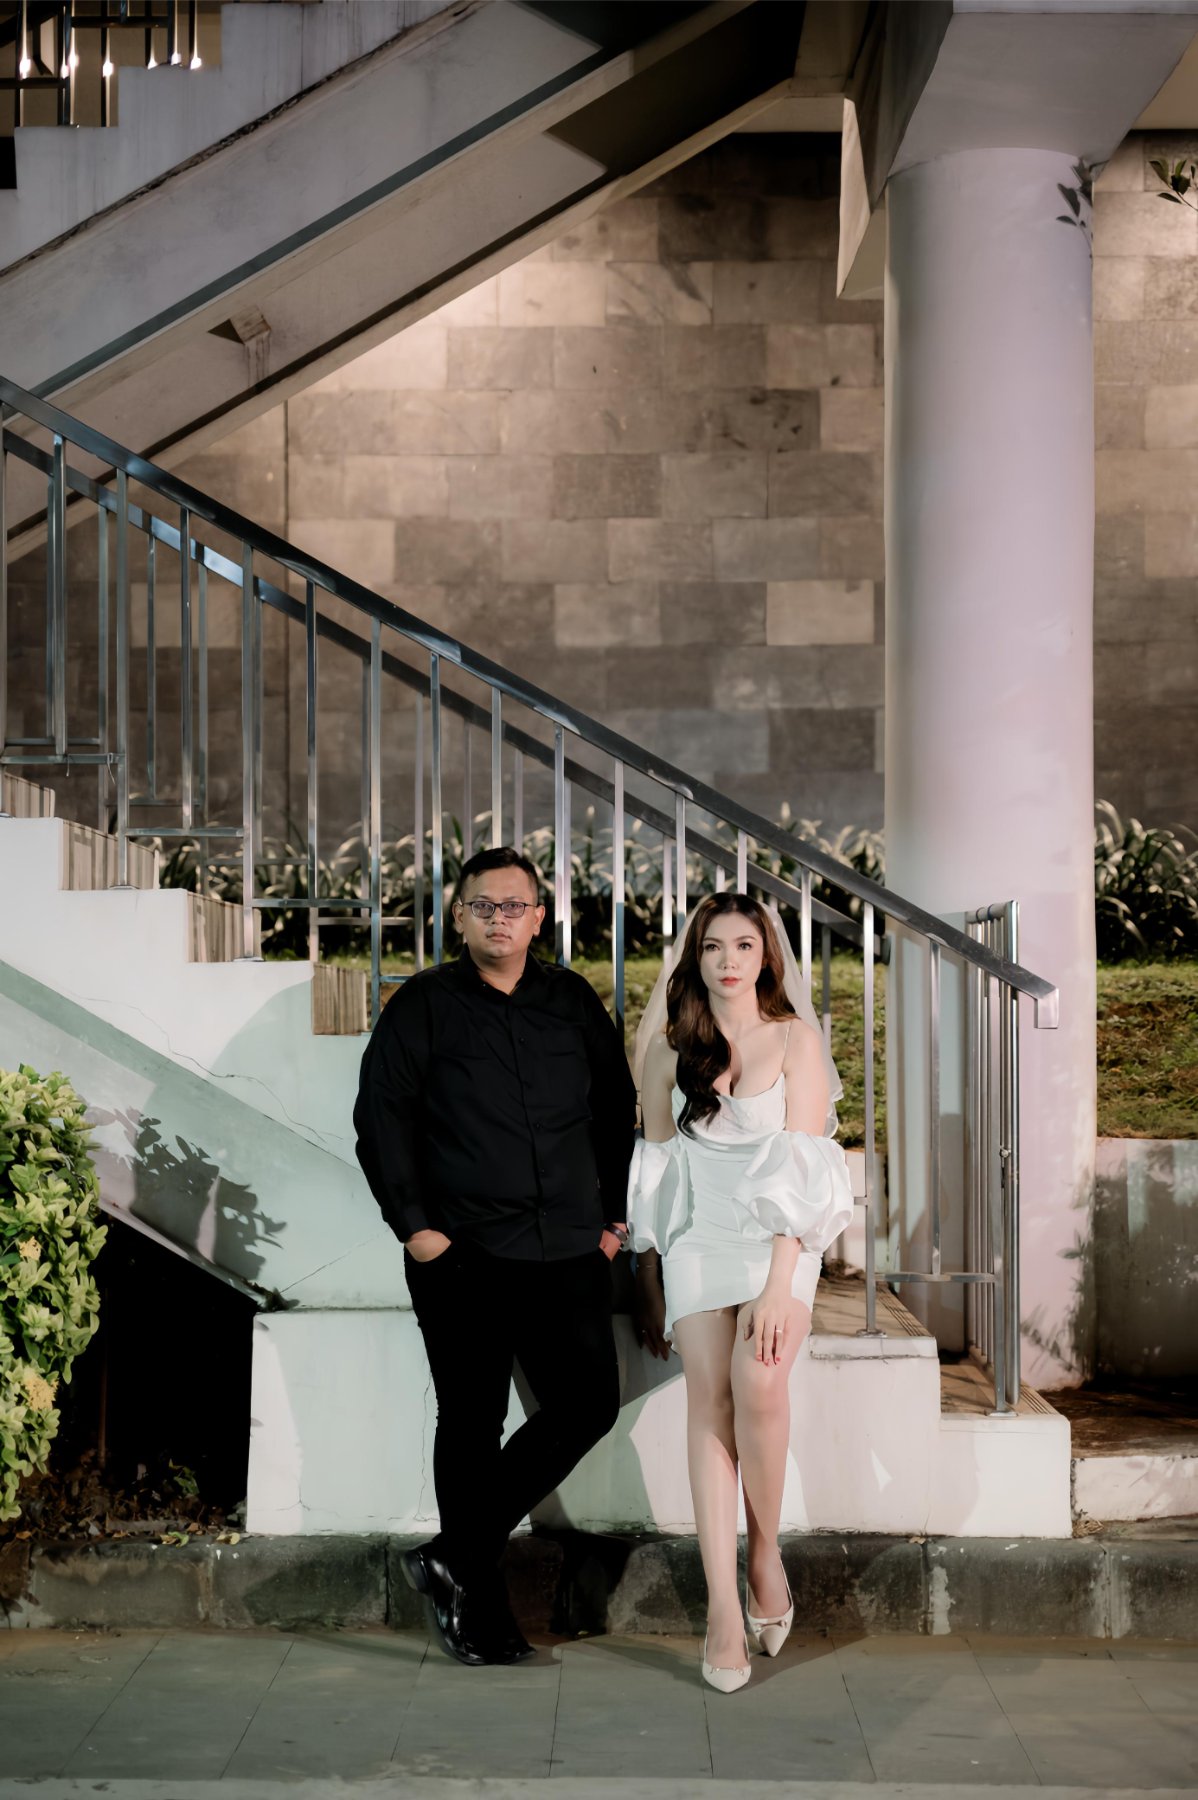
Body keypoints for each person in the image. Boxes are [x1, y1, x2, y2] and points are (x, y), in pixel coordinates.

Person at [354, 845, 636, 1667]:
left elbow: (615, 1107)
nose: (499, 919)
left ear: (538, 918)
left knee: (588, 1404)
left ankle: (456, 1554)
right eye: (484, 905)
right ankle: (477, 1611)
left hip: (568, 1249)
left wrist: (612, 1221)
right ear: (460, 916)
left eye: (514, 906)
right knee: (472, 1422)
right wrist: (417, 1229)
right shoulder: (424, 1005)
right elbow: (381, 1117)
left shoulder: (570, 1001)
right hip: (464, 1254)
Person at [629, 893, 853, 1694]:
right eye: (714, 946)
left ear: (767, 957)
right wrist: (650, 1281)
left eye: (745, 946)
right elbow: (657, 1176)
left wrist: (778, 1284)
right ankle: (723, 1610)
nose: (730, 960)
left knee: (758, 1385)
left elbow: (805, 1167)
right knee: (710, 1403)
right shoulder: (667, 1052)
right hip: (698, 1242)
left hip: (777, 1244)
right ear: (694, 958)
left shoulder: (796, 1040)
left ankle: (763, 1554)